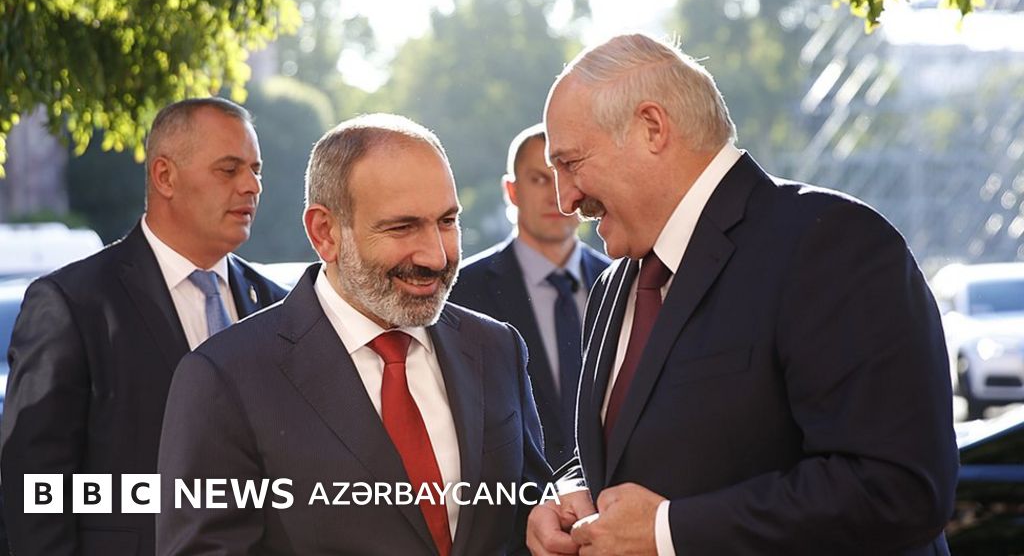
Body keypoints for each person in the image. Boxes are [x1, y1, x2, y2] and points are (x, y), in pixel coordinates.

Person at [526, 33, 958, 555]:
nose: (565, 200)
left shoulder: (832, 243)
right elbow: (634, 447)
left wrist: (668, 532)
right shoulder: (614, 287)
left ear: (652, 128)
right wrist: (573, 494)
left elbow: (899, 488)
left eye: (571, 163)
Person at [156, 113, 550, 555]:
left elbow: (531, 520)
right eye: (402, 227)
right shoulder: (225, 379)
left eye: (446, 221)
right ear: (324, 232)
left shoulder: (496, 348)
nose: (436, 256)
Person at [0, 97, 287, 556]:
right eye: (229, 169)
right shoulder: (73, 303)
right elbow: (34, 486)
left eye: (256, 170)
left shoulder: (275, 305)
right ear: (164, 176)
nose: (251, 186)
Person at [450, 123, 609, 468]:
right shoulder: (460, 291)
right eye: (539, 179)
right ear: (512, 191)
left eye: (565, 177)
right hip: (512, 493)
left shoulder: (622, 282)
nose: (555, 195)